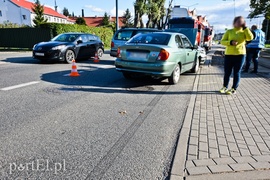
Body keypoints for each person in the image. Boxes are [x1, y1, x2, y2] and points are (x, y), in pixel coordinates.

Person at [220, 16, 254, 95]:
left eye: (242, 22)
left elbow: (250, 38)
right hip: (229, 54)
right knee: (227, 72)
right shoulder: (229, 31)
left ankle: (233, 88)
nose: (240, 23)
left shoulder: (244, 31)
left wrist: (246, 28)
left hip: (240, 54)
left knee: (237, 72)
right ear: (234, 23)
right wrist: (230, 42)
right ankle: (225, 87)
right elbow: (222, 41)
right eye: (238, 21)